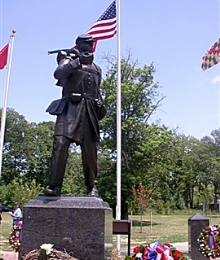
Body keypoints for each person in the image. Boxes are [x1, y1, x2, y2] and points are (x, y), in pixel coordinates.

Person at [45, 34, 106, 197]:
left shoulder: (97, 69)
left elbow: (97, 90)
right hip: (70, 108)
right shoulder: (68, 58)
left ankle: (91, 186)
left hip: (89, 111)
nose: (90, 46)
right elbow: (58, 73)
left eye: (92, 44)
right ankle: (54, 185)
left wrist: (100, 103)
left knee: (90, 151)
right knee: (60, 144)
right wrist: (77, 61)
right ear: (78, 45)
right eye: (87, 44)